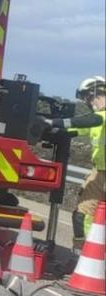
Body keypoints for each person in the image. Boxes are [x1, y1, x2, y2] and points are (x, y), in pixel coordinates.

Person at [47, 76, 105, 248]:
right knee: (81, 216)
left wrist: (55, 121)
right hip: (100, 173)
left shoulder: (100, 117)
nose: (88, 102)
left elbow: (94, 119)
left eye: (88, 97)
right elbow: (76, 128)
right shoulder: (97, 119)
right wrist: (49, 128)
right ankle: (84, 257)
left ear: (97, 92)